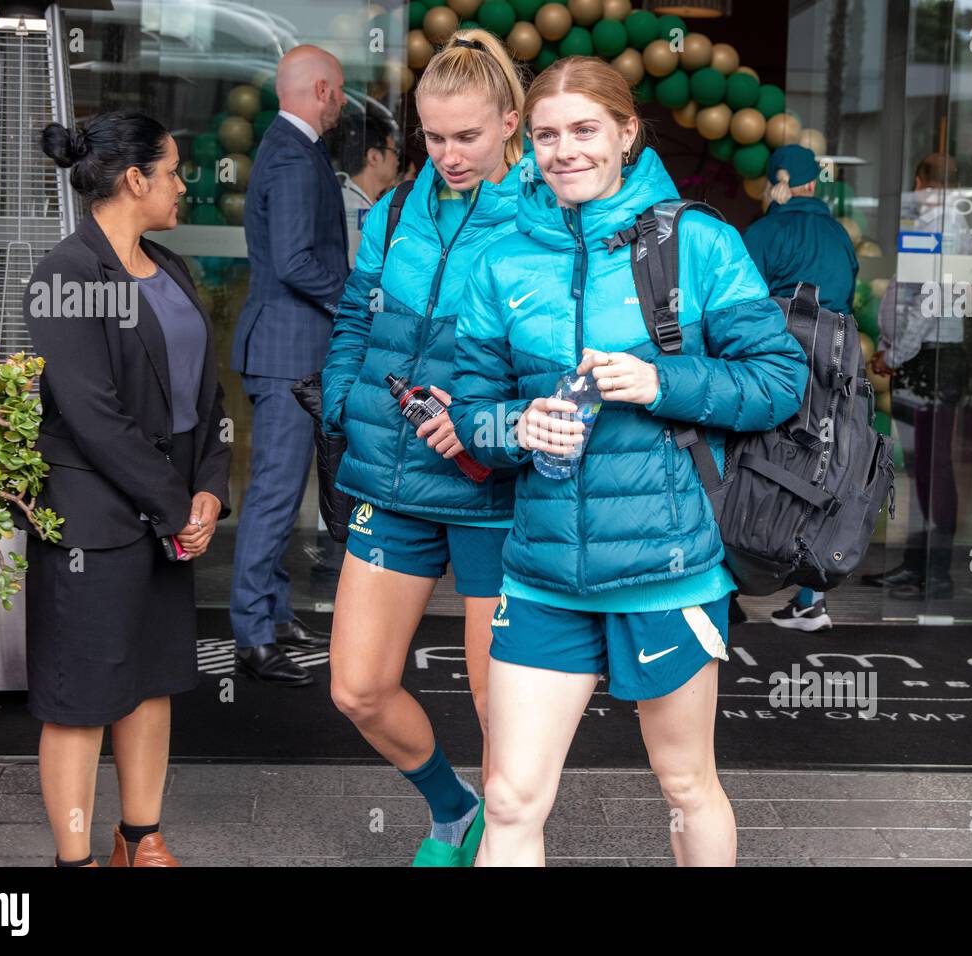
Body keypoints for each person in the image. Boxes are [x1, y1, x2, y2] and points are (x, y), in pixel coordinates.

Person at [449, 57, 807, 866]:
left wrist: (660, 380)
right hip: (542, 571)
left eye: (584, 130)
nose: (564, 150)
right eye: (546, 134)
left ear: (626, 132)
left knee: (685, 785)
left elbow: (779, 381)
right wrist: (517, 427)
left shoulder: (701, 243)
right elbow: (471, 415)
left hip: (668, 567)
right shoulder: (500, 259)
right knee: (508, 797)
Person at [318, 29, 527, 867]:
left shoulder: (544, 218)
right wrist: (342, 403)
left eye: (468, 136)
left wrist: (488, 419)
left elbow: (557, 354)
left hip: (491, 489)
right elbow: (353, 316)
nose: (448, 154)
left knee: (498, 705)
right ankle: (453, 806)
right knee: (358, 688)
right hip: (391, 474)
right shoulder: (397, 209)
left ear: (510, 122)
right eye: (433, 137)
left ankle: (506, 846)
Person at [24, 111, 232, 867]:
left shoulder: (170, 267)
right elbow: (92, 416)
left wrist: (209, 490)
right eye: (174, 172)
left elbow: (206, 398)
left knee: (152, 682)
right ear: (135, 179)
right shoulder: (66, 275)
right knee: (81, 698)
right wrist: (177, 505)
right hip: (94, 518)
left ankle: (139, 841)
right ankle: (74, 860)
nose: (184, 185)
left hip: (168, 511)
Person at [229, 45, 348, 683]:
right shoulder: (296, 156)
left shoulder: (286, 147)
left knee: (273, 490)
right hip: (290, 350)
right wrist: (356, 302)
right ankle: (252, 636)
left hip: (281, 344)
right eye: (342, 92)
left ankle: (271, 615)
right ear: (323, 89)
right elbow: (299, 262)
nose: (344, 105)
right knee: (276, 494)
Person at [743, 144, 859, 632]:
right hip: (835, 367)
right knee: (824, 471)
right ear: (815, 184)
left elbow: (736, 305)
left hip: (774, 366)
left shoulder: (762, 232)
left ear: (774, 184)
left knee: (750, 466)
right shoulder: (839, 236)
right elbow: (849, 297)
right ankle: (811, 600)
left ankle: (732, 590)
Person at [864, 153, 972, 600]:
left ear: (919, 179)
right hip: (926, 354)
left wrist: (895, 352)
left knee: (931, 465)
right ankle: (919, 564)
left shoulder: (936, 227)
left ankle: (934, 570)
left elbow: (928, 301)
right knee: (927, 466)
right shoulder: (942, 224)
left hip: (929, 356)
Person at [330, 112, 401, 268]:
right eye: (394, 152)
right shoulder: (352, 208)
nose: (397, 160)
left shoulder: (359, 201)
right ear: (373, 157)